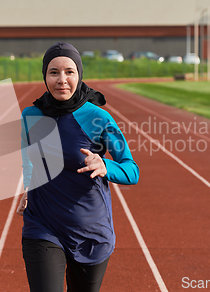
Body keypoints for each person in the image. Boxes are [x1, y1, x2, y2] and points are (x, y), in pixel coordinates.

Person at [16, 42, 139, 292]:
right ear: (45, 76)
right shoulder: (30, 115)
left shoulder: (98, 118)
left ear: (79, 75)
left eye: (69, 72)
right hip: (42, 224)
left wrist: (105, 165)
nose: (62, 80)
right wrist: (28, 190)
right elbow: (28, 158)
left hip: (89, 230)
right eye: (54, 72)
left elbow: (131, 170)